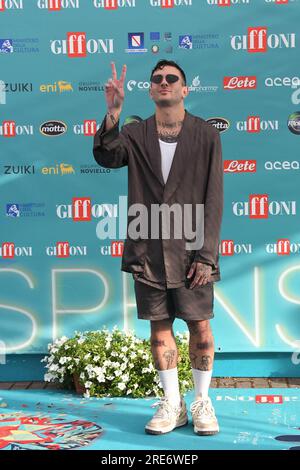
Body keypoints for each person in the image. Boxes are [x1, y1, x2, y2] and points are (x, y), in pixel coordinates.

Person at [93, 59, 223, 436]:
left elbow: (214, 199)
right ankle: (172, 404)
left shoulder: (206, 135)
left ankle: (201, 401)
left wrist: (207, 254)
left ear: (185, 89)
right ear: (150, 91)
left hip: (192, 249)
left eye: (172, 79)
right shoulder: (135, 134)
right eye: (157, 79)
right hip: (147, 248)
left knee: (201, 328)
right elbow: (106, 156)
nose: (164, 83)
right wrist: (113, 113)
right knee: (159, 329)